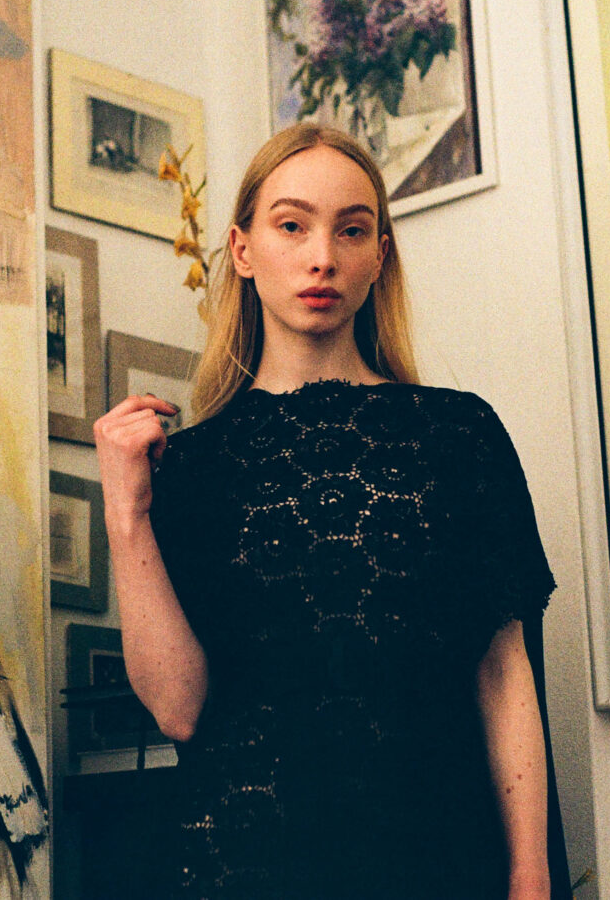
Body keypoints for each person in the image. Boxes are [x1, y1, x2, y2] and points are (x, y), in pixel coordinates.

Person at [94, 123, 566, 898]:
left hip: (435, 859)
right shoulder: (192, 467)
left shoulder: (460, 436)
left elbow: (503, 670)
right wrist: (126, 514)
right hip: (242, 865)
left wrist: (531, 874)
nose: (323, 256)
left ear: (379, 255)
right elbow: (179, 711)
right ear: (243, 250)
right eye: (292, 225)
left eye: (351, 230)